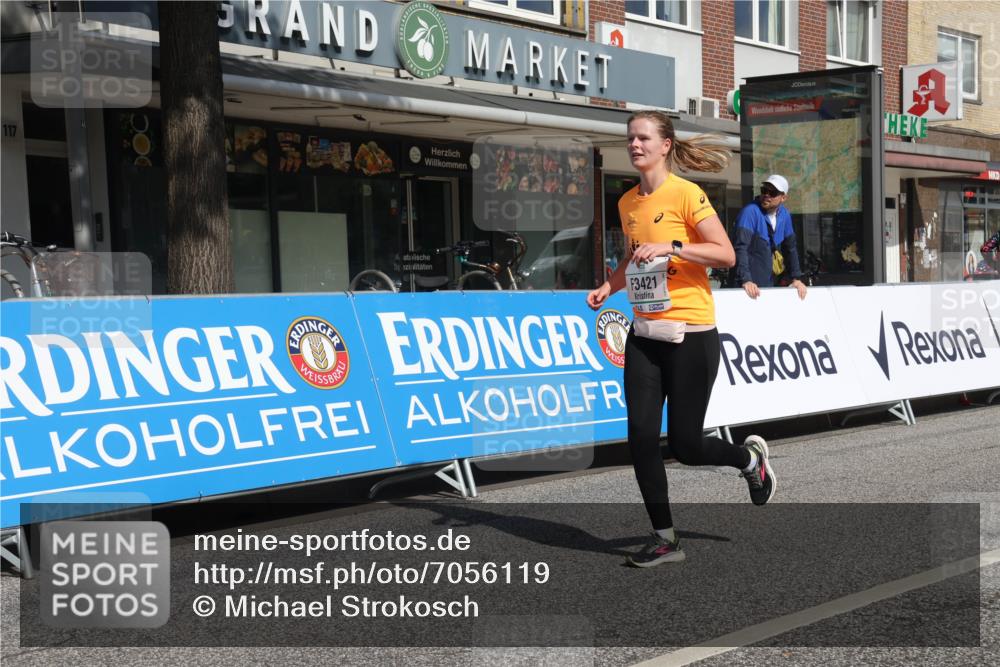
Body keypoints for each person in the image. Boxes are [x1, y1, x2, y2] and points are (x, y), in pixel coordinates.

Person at [586, 111, 776, 568]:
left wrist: (673, 248)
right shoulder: (628, 202)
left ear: (665, 145)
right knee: (640, 436)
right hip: (645, 333)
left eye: (643, 137)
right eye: (630, 138)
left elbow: (726, 254)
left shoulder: (687, 194)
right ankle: (665, 539)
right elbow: (634, 258)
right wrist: (609, 287)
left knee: (687, 445)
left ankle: (750, 462)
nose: (634, 145)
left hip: (691, 334)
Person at [732, 175, 808, 300]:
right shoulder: (750, 212)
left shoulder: (784, 215)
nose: (766, 195)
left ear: (783, 197)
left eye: (772, 192)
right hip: (745, 287)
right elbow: (740, 248)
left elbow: (791, 249)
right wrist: (746, 280)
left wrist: (796, 279)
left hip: (768, 285)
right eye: (764, 190)